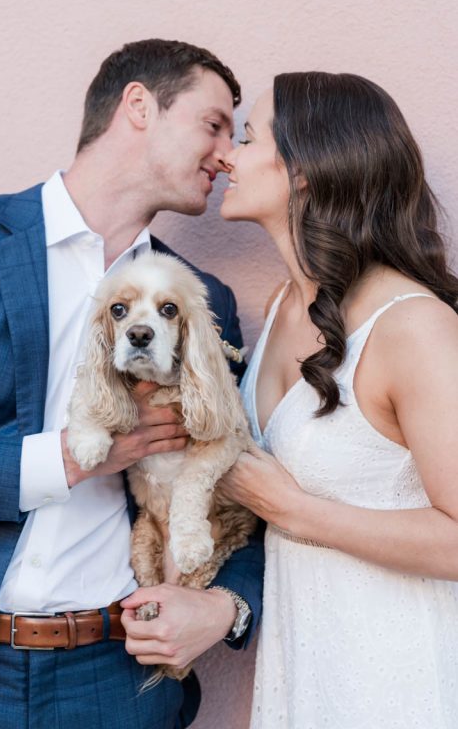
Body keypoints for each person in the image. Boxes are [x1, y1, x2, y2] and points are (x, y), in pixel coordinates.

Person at [0, 38, 264, 729]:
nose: (226, 154)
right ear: (139, 106)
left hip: (117, 676)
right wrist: (69, 459)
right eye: (213, 125)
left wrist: (225, 604)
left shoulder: (199, 301)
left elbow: (240, 480)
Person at [219, 71, 458, 729]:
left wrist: (294, 510)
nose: (228, 156)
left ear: (303, 169)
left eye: (247, 138)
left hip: (401, 685)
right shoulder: (280, 306)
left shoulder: (413, 328)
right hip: (305, 677)